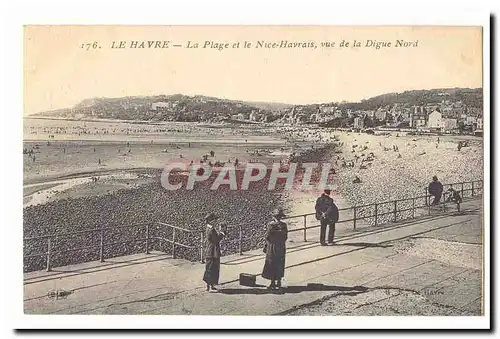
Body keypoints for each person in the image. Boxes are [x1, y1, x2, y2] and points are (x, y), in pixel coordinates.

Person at [262, 208, 288, 290]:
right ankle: (279, 281)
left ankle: (272, 283)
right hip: (281, 246)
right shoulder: (284, 225)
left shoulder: (271, 225)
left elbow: (267, 236)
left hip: (272, 246)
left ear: (274, 217)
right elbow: (285, 237)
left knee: (271, 263)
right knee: (280, 263)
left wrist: (266, 245)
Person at [203, 213, 226, 292]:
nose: (216, 221)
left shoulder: (209, 228)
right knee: (212, 267)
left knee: (210, 267)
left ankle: (210, 285)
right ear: (211, 221)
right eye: (215, 220)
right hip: (213, 251)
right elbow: (216, 239)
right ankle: (210, 285)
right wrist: (222, 233)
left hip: (210, 250)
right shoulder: (211, 229)